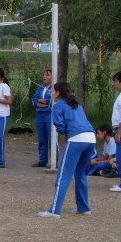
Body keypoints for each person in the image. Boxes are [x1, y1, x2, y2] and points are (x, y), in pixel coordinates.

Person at [39, 83, 95, 218]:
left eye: (53, 91)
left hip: (76, 139)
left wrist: (65, 137)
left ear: (58, 93)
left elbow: (60, 126)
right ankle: (84, 208)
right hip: (91, 139)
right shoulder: (78, 105)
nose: (52, 94)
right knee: (81, 174)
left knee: (64, 176)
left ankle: (54, 211)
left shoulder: (58, 106)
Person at [31, 70, 53, 167]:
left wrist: (45, 102)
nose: (44, 77)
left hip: (49, 115)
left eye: (47, 75)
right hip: (40, 115)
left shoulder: (54, 88)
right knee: (42, 138)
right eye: (44, 75)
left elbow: (53, 101)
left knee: (52, 138)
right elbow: (34, 100)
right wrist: (40, 103)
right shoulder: (41, 87)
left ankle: (54, 161)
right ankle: (42, 160)